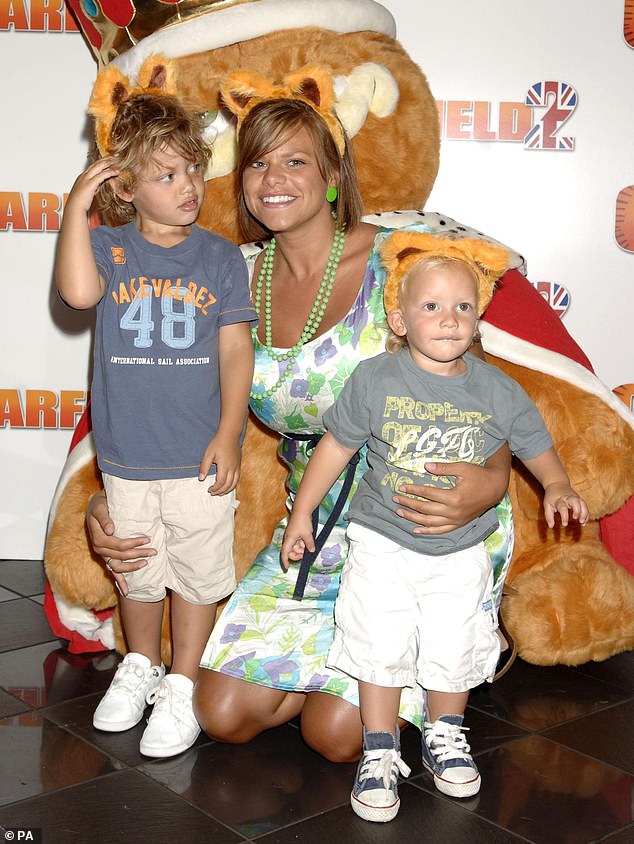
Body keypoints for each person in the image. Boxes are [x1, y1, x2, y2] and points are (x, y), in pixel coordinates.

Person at [86, 69, 514, 764]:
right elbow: (145, 381)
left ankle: (463, 636)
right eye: (257, 161)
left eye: (295, 160)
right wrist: (106, 500)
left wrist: (490, 483)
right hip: (308, 532)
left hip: (417, 525)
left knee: (337, 735)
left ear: (333, 176)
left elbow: (481, 386)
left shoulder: (398, 260)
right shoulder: (228, 270)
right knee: (220, 713)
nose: (273, 177)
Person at [280, 229, 588, 821]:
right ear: (399, 320)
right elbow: (335, 448)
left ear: (478, 319)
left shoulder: (497, 389)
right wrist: (302, 514)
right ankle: (379, 746)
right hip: (381, 540)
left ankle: (446, 733)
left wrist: (556, 483)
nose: (449, 320)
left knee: (453, 642)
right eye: (431, 307)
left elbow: (532, 442)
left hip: (460, 547)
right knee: (378, 641)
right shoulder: (375, 379)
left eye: (463, 307)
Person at [55, 91, 256, 758]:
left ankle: (183, 680)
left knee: (197, 576)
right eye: (166, 175)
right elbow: (77, 294)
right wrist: (75, 210)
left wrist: (229, 432)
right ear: (127, 188)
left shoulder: (222, 258)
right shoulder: (108, 250)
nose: (188, 186)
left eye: (193, 169)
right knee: (137, 572)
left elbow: (234, 349)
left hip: (198, 455)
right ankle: (140, 665)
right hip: (129, 455)